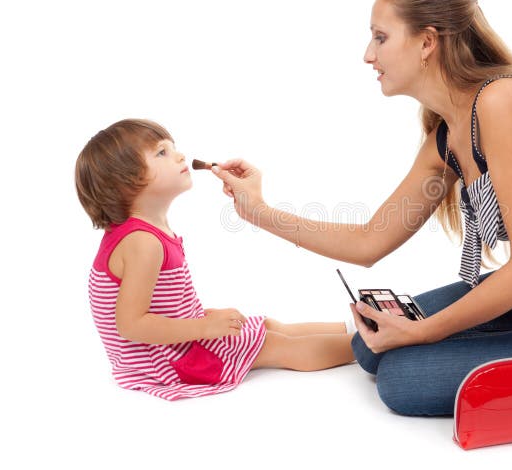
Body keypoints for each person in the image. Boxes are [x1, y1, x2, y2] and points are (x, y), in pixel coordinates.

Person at [211, 0, 512, 416]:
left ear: (428, 42)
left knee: (400, 380)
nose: (368, 55)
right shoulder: (448, 137)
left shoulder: (503, 103)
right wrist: (258, 211)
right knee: (369, 348)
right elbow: (370, 241)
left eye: (381, 37)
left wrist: (423, 333)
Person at [75, 119, 354, 401]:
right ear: (126, 182)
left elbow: (161, 304)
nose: (180, 156)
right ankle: (367, 346)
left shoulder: (146, 232)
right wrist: (204, 327)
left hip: (173, 344)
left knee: (266, 325)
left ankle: (356, 327)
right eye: (161, 153)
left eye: (174, 148)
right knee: (275, 344)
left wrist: (199, 319)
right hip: (167, 361)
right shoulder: (142, 242)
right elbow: (131, 325)